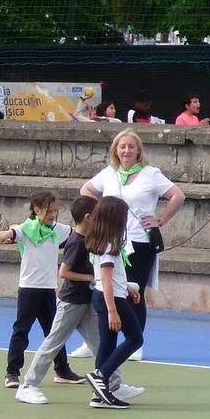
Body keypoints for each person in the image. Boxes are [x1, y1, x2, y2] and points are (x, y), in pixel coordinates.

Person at [18, 195, 126, 403]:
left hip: (86, 300)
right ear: (88, 217)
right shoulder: (76, 242)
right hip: (71, 302)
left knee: (99, 342)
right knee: (53, 343)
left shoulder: (91, 239)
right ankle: (28, 384)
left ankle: (114, 383)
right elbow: (64, 272)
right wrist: (91, 278)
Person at [0, 189, 76, 388]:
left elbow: (80, 235)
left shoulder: (58, 230)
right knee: (21, 330)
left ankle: (62, 370)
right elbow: (5, 234)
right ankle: (12, 372)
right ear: (36, 209)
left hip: (48, 289)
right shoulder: (26, 229)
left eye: (55, 211)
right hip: (28, 289)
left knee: (55, 332)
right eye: (48, 211)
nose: (53, 215)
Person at [80, 129, 184, 338]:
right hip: (111, 239)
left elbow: (177, 196)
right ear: (115, 150)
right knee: (104, 287)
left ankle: (134, 338)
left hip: (138, 240)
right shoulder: (110, 172)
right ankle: (100, 338)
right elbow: (87, 190)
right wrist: (100, 213)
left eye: (131, 146)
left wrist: (160, 220)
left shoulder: (150, 173)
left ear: (138, 151)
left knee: (134, 291)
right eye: (122, 146)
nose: (126, 150)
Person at [81, 195, 145, 408]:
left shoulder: (103, 242)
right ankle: (101, 375)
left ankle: (99, 394)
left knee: (107, 346)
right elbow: (107, 280)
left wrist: (127, 287)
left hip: (106, 295)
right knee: (135, 338)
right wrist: (113, 311)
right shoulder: (109, 244)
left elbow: (110, 277)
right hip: (111, 300)